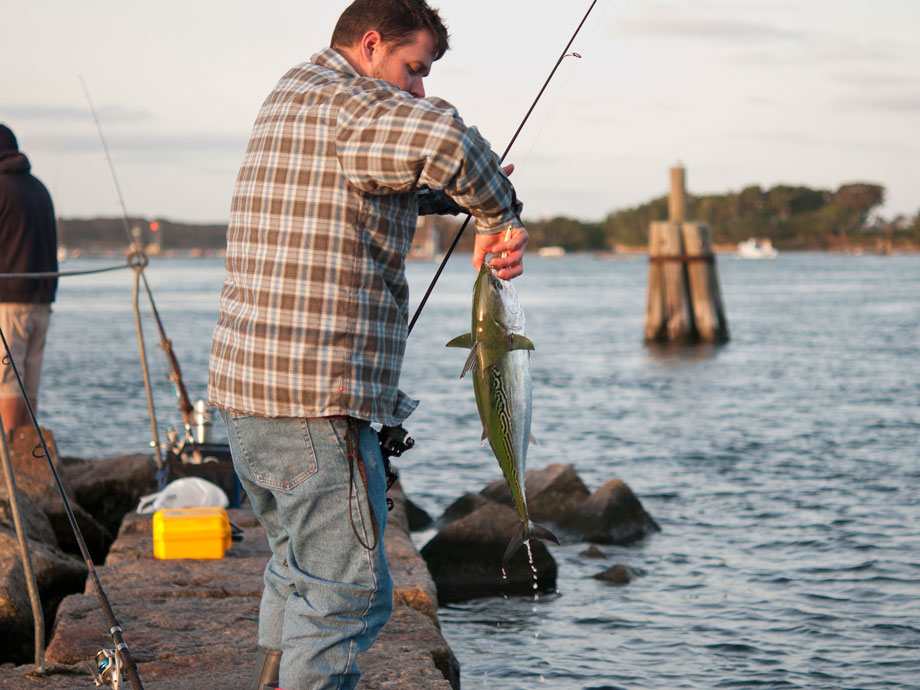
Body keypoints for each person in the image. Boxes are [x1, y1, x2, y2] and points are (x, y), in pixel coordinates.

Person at [208, 1, 527, 688]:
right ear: (372, 44)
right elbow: (445, 143)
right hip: (314, 406)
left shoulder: (292, 96)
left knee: (296, 573)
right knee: (346, 599)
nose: (416, 88)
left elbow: (382, 183)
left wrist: (461, 202)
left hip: (245, 402)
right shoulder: (352, 105)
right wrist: (499, 212)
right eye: (413, 70)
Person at [0, 124, 58, 433]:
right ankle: (24, 456)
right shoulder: (39, 189)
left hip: (8, 301)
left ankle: (7, 455)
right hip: (41, 300)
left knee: (7, 381)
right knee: (28, 381)